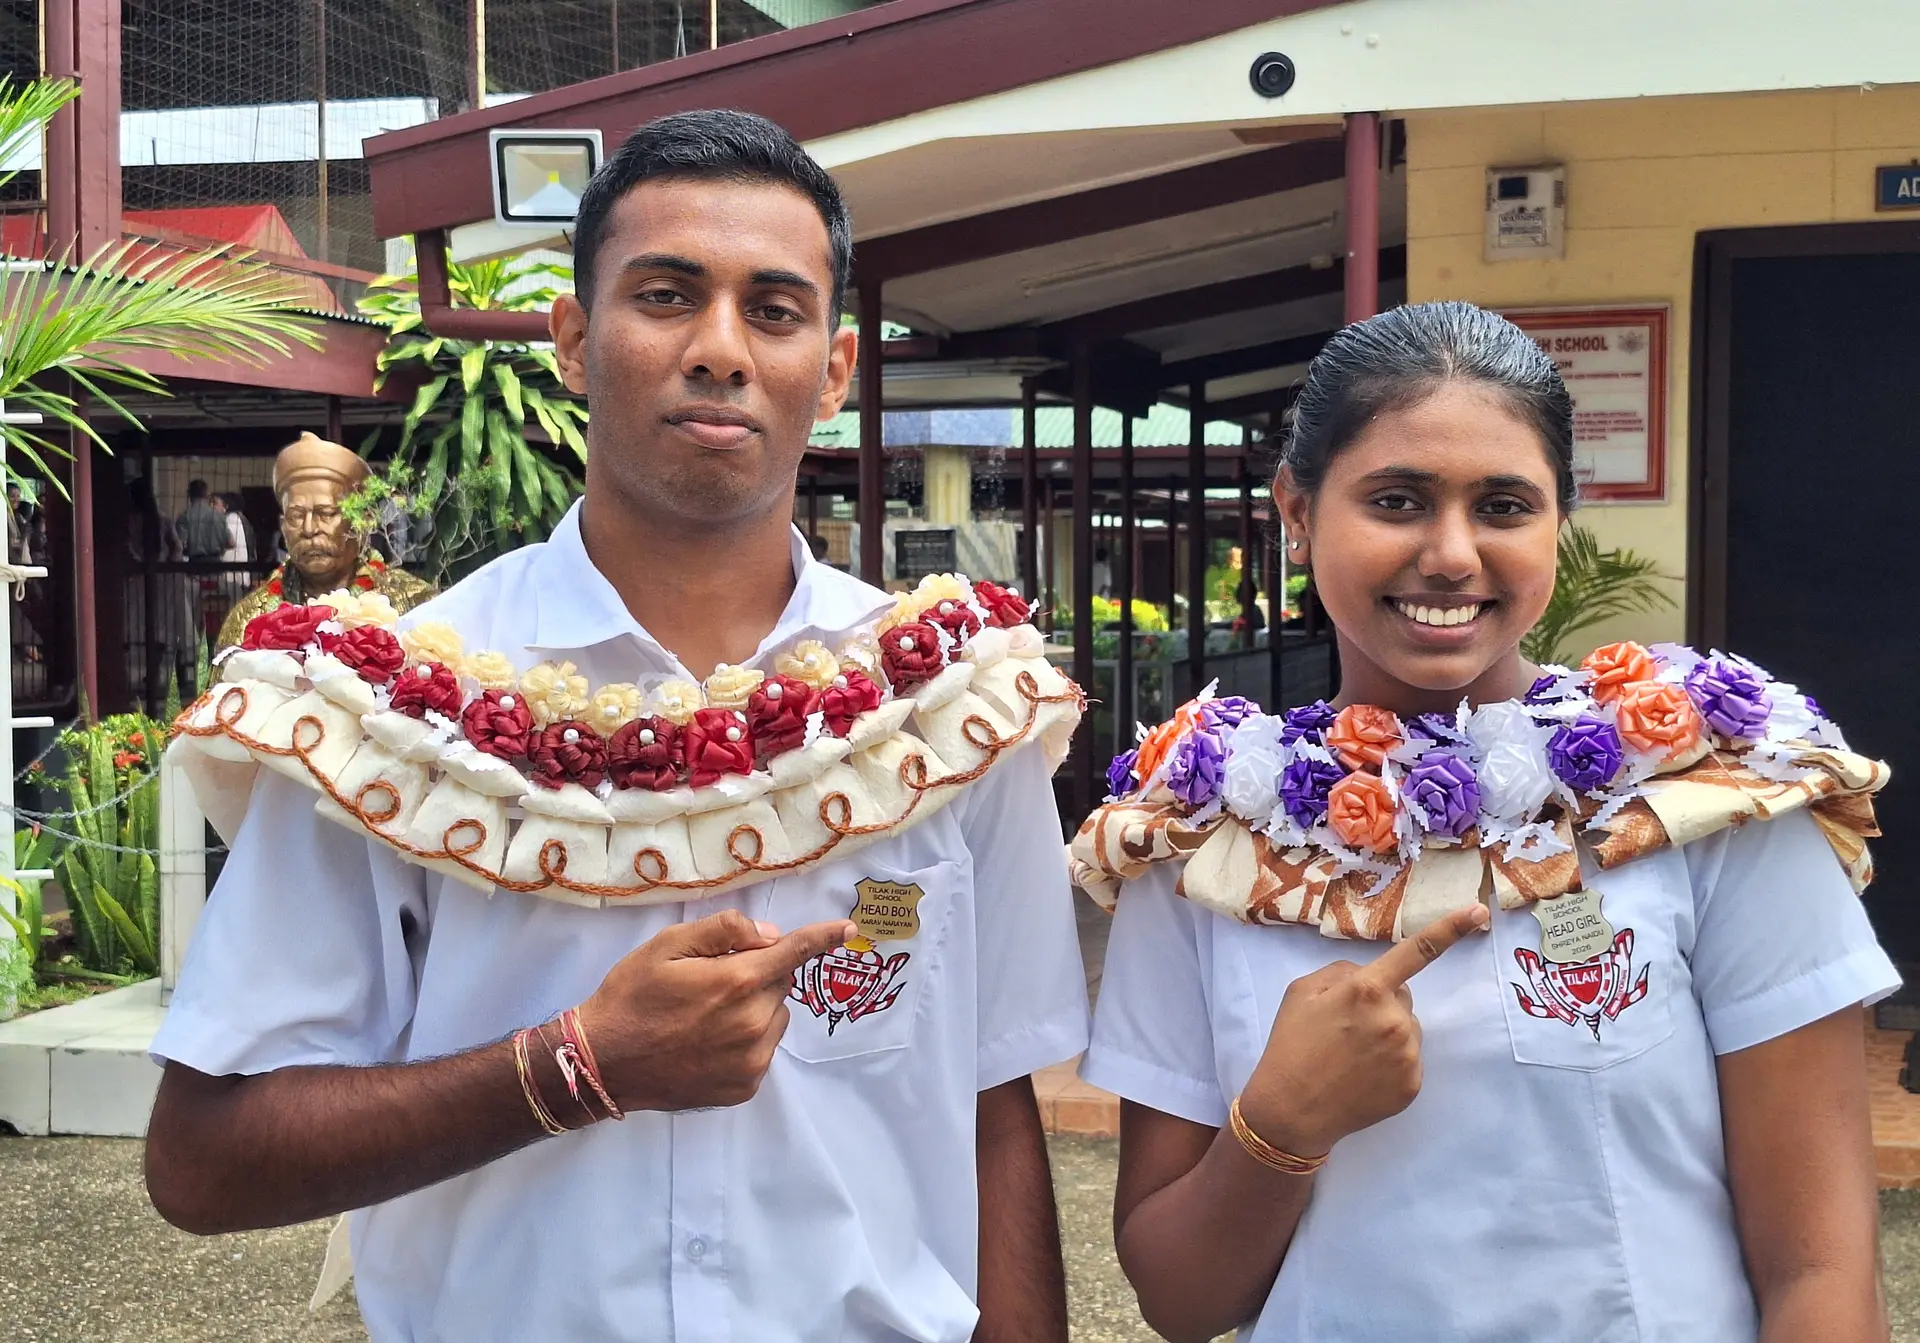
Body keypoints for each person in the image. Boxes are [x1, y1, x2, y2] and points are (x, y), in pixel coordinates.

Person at [147, 109, 1088, 1342]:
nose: (720, 349)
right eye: (665, 296)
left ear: (836, 368)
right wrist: (575, 1066)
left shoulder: (951, 704)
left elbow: (992, 1101)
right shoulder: (391, 712)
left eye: (774, 309)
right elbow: (205, 1157)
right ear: (574, 340)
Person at [1073, 301, 1896, 1341]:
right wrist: (1279, 1124)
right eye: (1398, 500)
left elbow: (1820, 1268)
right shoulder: (1206, 843)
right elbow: (1180, 1301)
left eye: (1504, 505)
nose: (1453, 553)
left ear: (1559, 520)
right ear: (1297, 510)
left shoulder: (1705, 801)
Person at [214, 434, 435, 652]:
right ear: (283, 525)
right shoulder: (249, 617)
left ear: (363, 521)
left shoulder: (415, 601)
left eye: (326, 513)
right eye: (296, 516)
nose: (309, 529)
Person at [177, 479, 229, 561]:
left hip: (196, 563)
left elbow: (179, 544)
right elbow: (231, 543)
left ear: (189, 494)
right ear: (206, 495)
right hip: (216, 562)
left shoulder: (185, 517)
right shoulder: (218, 516)